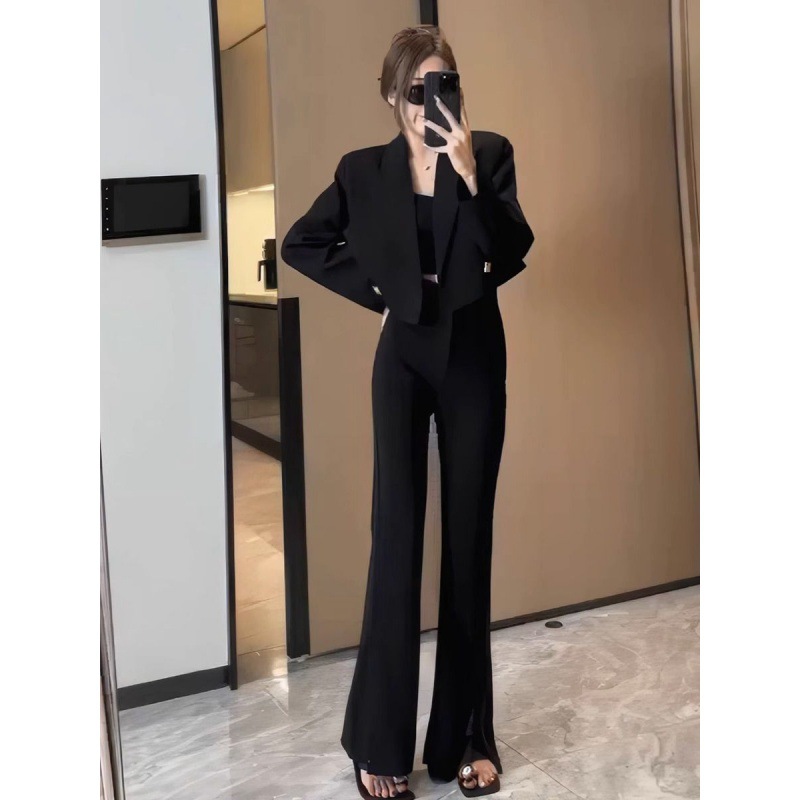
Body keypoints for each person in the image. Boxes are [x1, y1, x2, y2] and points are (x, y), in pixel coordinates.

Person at [280, 25, 534, 799]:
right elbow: (303, 242)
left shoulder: (488, 153)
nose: (431, 101)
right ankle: (377, 742)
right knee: (394, 540)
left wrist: (468, 173)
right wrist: (381, 291)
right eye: (418, 89)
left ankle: (469, 737)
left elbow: (510, 253)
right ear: (393, 95)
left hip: (474, 355)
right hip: (403, 361)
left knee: (468, 543)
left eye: (444, 85)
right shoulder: (363, 171)